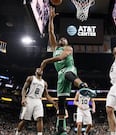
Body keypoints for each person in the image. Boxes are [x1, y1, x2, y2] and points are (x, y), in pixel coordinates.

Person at [40, 6, 96, 135]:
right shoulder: (55, 47)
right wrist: (51, 19)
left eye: (64, 39)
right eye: (61, 39)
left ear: (66, 42)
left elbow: (61, 57)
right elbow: (51, 32)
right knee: (61, 102)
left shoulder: (69, 48)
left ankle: (82, 86)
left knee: (67, 73)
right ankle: (61, 128)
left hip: (69, 69)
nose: (62, 39)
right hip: (60, 74)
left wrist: (46, 61)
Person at [15, 68, 57, 135]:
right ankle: (17, 133)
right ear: (35, 72)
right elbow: (24, 89)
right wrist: (23, 98)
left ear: (42, 72)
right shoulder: (31, 78)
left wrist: (53, 102)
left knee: (40, 118)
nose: (40, 70)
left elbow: (46, 95)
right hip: (29, 99)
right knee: (25, 120)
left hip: (38, 100)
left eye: (41, 69)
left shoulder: (44, 83)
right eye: (38, 69)